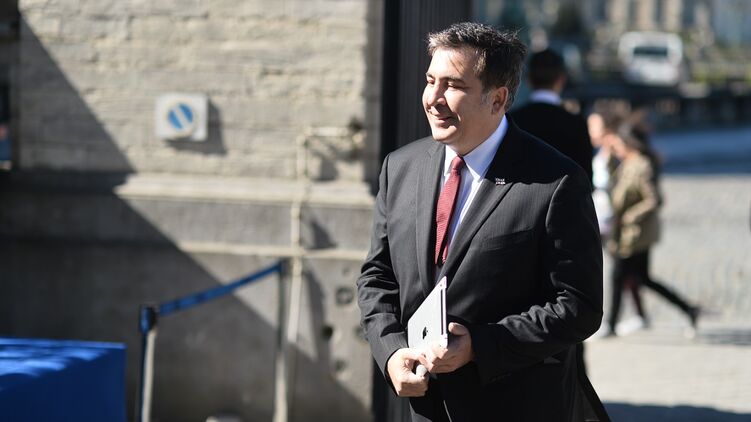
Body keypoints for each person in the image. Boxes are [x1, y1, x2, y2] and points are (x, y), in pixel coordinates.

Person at [356, 22, 608, 421]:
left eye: (453, 85)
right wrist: (390, 352)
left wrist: (481, 345)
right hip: (424, 408)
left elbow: (579, 305)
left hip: (515, 407)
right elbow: (377, 275)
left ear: (498, 99)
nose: (433, 98)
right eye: (430, 81)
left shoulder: (556, 182)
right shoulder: (399, 168)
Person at [604, 122, 700, 338]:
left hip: (635, 234)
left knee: (618, 277)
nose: (616, 147)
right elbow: (614, 187)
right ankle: (688, 309)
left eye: (619, 143)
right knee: (642, 278)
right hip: (627, 232)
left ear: (629, 143)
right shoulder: (627, 162)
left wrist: (632, 216)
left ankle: (611, 325)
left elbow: (654, 199)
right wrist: (609, 158)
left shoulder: (642, 165)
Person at [511, 48, 593, 183]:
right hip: (565, 194)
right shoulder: (575, 123)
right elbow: (586, 177)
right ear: (562, 79)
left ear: (528, 79)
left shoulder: (512, 120)